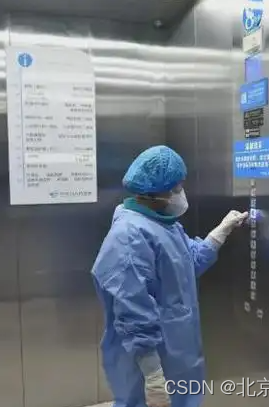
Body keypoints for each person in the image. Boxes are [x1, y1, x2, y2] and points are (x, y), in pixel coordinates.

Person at [91, 145, 248, 407]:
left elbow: (186, 264)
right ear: (153, 192)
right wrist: (153, 376)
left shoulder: (164, 224)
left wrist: (220, 232)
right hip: (149, 364)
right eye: (176, 188)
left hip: (177, 356)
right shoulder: (129, 237)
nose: (180, 194)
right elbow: (132, 313)